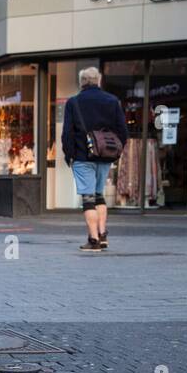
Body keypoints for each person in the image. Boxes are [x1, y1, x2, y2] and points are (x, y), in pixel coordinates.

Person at [62, 67, 127, 252]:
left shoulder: (74, 102)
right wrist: (115, 151)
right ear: (98, 81)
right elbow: (123, 131)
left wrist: (70, 154)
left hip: (83, 156)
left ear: (81, 82)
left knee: (88, 198)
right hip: (105, 156)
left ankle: (93, 239)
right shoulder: (112, 101)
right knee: (99, 195)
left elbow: (67, 133)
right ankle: (103, 234)